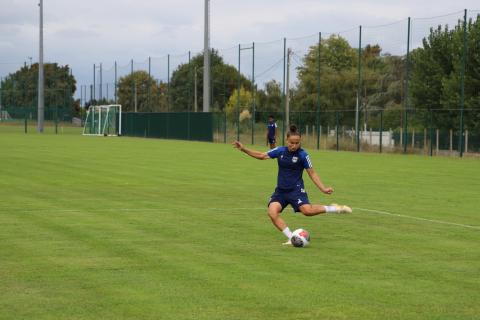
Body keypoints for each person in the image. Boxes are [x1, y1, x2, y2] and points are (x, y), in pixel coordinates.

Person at [233, 125, 352, 245]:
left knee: (307, 211)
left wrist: (323, 188)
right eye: (291, 143)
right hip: (281, 191)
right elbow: (261, 156)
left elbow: (312, 173)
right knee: (272, 212)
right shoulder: (280, 151)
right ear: (286, 140)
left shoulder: (303, 155)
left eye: (297, 143)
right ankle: (291, 237)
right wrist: (244, 149)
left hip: (296, 190)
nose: (294, 145)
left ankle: (334, 208)